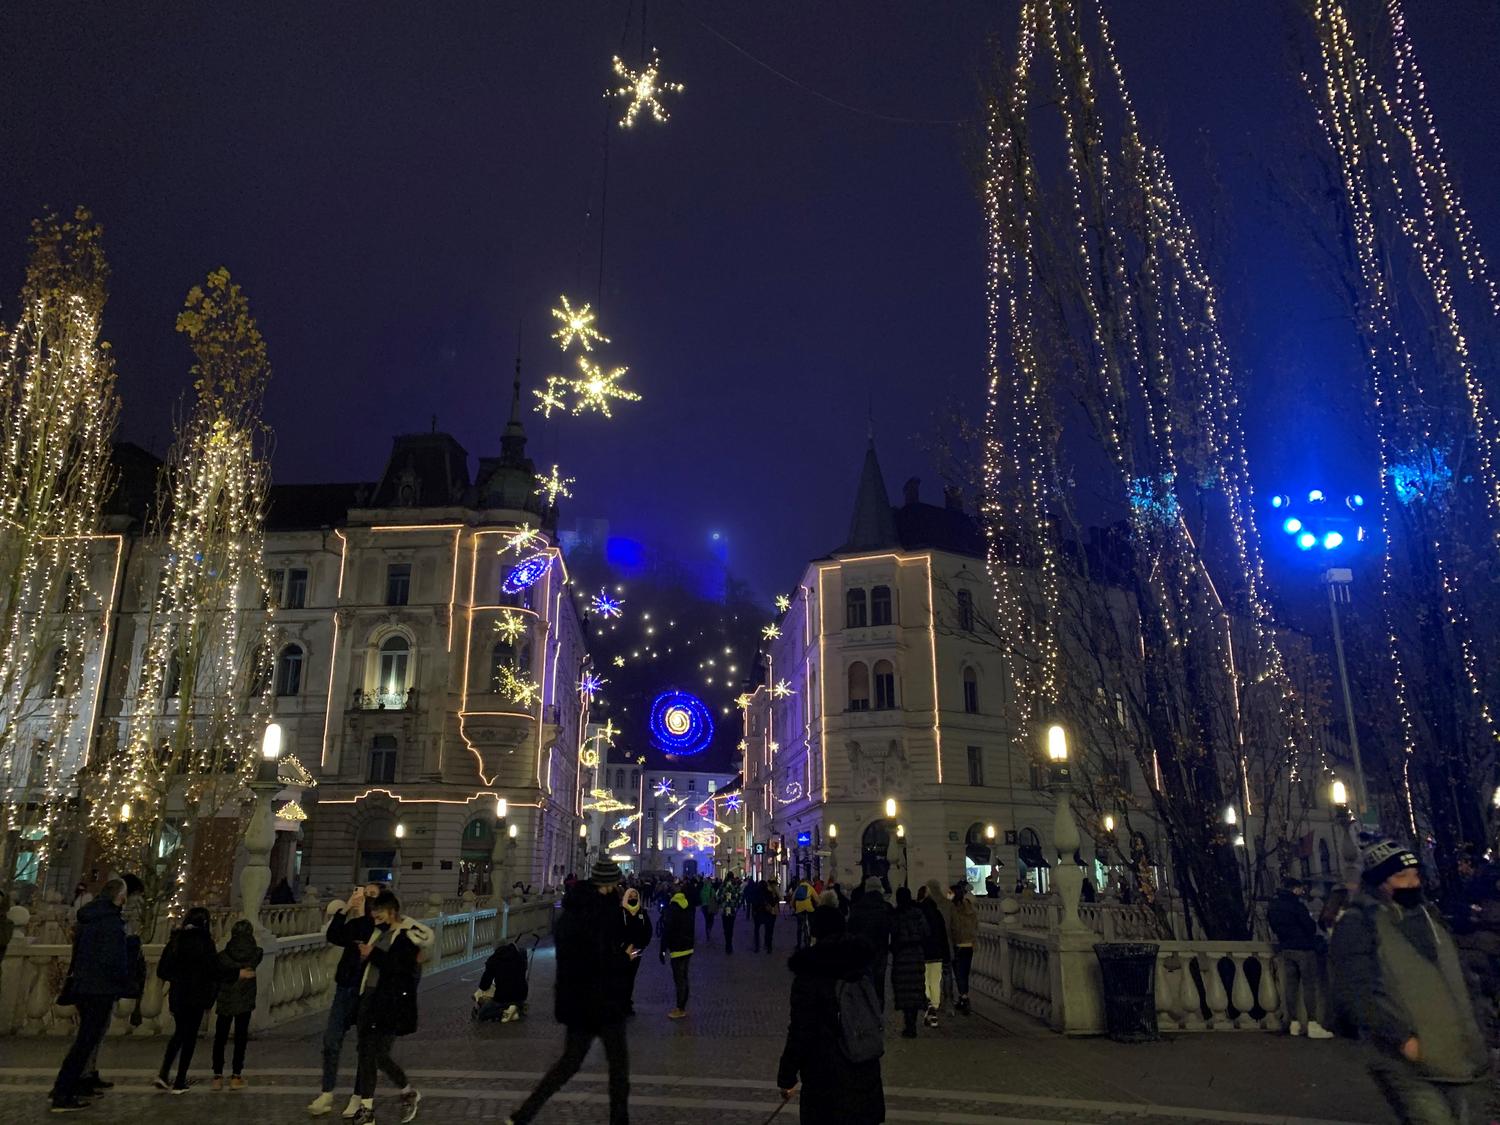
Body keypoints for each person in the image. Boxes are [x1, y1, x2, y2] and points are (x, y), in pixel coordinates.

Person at [1332, 838, 1487, 1125]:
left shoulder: (1430, 918)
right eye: (1401, 877)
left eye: (1415, 875)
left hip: (1454, 1051)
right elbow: (1355, 990)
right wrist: (1401, 1040)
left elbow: (1459, 977)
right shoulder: (1358, 923)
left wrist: (1477, 1026)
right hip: (1402, 1059)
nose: (1412, 883)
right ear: (1380, 883)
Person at [504, 860, 634, 1125]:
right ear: (607, 885)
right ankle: (619, 1121)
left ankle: (522, 1115)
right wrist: (624, 958)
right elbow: (599, 959)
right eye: (615, 884)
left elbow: (572, 955)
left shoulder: (573, 910)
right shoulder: (599, 913)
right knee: (618, 1069)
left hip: (577, 1003)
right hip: (602, 1001)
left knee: (567, 1065)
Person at [776, 905, 884, 1124]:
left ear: (815, 931)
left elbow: (800, 1030)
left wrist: (787, 1075)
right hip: (864, 1070)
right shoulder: (861, 967)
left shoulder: (809, 974)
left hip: (825, 1077)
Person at [351, 890, 432, 1125]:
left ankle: (407, 1092)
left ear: (393, 912)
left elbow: (399, 966)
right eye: (374, 911)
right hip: (370, 997)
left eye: (380, 912)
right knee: (367, 1053)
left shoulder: (405, 936)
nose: (375, 915)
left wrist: (372, 953)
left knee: (379, 1055)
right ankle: (367, 1109)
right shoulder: (379, 933)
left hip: (389, 1002)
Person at [49, 879, 130, 1112]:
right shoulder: (111, 923)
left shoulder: (89, 918)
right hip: (100, 989)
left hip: (83, 985)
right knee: (85, 1042)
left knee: (85, 1041)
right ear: (120, 897)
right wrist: (124, 980)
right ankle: (63, 1092)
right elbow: (113, 959)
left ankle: (71, 1085)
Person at [307, 882, 382, 1117]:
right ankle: (327, 1092)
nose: (364, 898)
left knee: (365, 1046)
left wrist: (362, 913)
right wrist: (347, 908)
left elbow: (368, 933)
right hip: (346, 986)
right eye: (362, 893)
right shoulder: (354, 923)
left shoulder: (380, 927)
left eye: (370, 896)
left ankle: (358, 1096)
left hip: (367, 990)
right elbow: (334, 935)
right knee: (331, 1040)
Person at [155, 907, 220, 1093]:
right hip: (197, 995)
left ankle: (163, 1073)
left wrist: (178, 977)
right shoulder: (205, 942)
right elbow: (213, 970)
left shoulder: (176, 940)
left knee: (178, 1034)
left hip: (179, 994)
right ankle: (180, 1080)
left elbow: (162, 970)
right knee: (190, 1037)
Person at [1268, 877, 1333, 1038]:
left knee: (1291, 987)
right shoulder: (1297, 906)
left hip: (1286, 947)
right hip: (1303, 948)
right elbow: (1310, 926)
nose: (1302, 892)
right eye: (1300, 889)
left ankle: (1294, 1023)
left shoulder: (1274, 906)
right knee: (1308, 986)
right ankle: (1312, 1023)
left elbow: (1274, 925)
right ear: (1294, 889)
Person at [212, 919, 263, 1089]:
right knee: (240, 1038)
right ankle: (236, 1075)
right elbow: (258, 954)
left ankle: (217, 1076)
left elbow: (219, 970)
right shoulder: (255, 953)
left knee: (220, 1037)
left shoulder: (223, 956)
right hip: (245, 999)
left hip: (226, 999)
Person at [889, 886, 929, 1038]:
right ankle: (912, 1021)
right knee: (915, 988)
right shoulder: (918, 914)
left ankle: (909, 1023)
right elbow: (926, 932)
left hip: (901, 957)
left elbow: (892, 933)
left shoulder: (896, 915)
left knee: (904, 989)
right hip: (916, 955)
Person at [846, 878, 892, 1010]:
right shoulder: (885, 908)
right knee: (879, 981)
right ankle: (878, 1009)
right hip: (880, 951)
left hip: (862, 951)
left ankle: (866, 1009)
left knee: (865, 980)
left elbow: (850, 930)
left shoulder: (857, 908)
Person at [917, 880, 951, 1027]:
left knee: (924, 981)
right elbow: (943, 936)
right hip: (937, 953)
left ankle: (928, 1004)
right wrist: (946, 953)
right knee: (935, 981)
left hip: (923, 953)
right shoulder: (937, 914)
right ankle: (934, 1007)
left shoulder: (918, 913)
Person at [660, 881, 695, 1019]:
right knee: (684, 977)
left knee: (679, 979)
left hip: (677, 948)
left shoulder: (672, 908)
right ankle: (682, 1006)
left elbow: (667, 930)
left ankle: (680, 1008)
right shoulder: (688, 907)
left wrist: (662, 949)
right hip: (688, 947)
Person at [620, 886, 652, 1016]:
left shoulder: (642, 913)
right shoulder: (621, 912)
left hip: (637, 951)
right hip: (622, 951)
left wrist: (642, 945)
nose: (633, 899)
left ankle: (627, 1003)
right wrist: (622, 946)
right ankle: (621, 1003)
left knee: (630, 977)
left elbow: (648, 930)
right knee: (622, 977)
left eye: (635, 897)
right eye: (631, 897)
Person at [949, 882, 979, 1016]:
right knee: (965, 973)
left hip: (958, 944)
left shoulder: (953, 909)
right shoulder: (970, 908)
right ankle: (963, 996)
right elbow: (975, 925)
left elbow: (953, 927)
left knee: (959, 973)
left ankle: (964, 998)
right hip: (969, 944)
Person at [717, 875, 742, 954]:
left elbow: (717, 897)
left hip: (725, 909)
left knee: (726, 927)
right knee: (730, 927)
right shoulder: (735, 886)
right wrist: (737, 905)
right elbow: (740, 896)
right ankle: (729, 944)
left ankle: (727, 943)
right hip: (732, 909)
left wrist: (721, 903)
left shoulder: (722, 886)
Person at [756, 880, 780, 954]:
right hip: (769, 913)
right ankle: (769, 946)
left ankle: (758, 946)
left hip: (761, 914)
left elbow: (755, 903)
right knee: (769, 930)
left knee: (759, 930)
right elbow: (774, 901)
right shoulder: (769, 893)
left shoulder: (758, 893)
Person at [792, 875, 816, 949]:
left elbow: (793, 899)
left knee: (799, 927)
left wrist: (794, 908)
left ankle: (798, 944)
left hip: (799, 909)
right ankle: (811, 939)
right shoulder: (810, 887)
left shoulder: (798, 888)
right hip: (809, 908)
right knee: (812, 924)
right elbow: (817, 898)